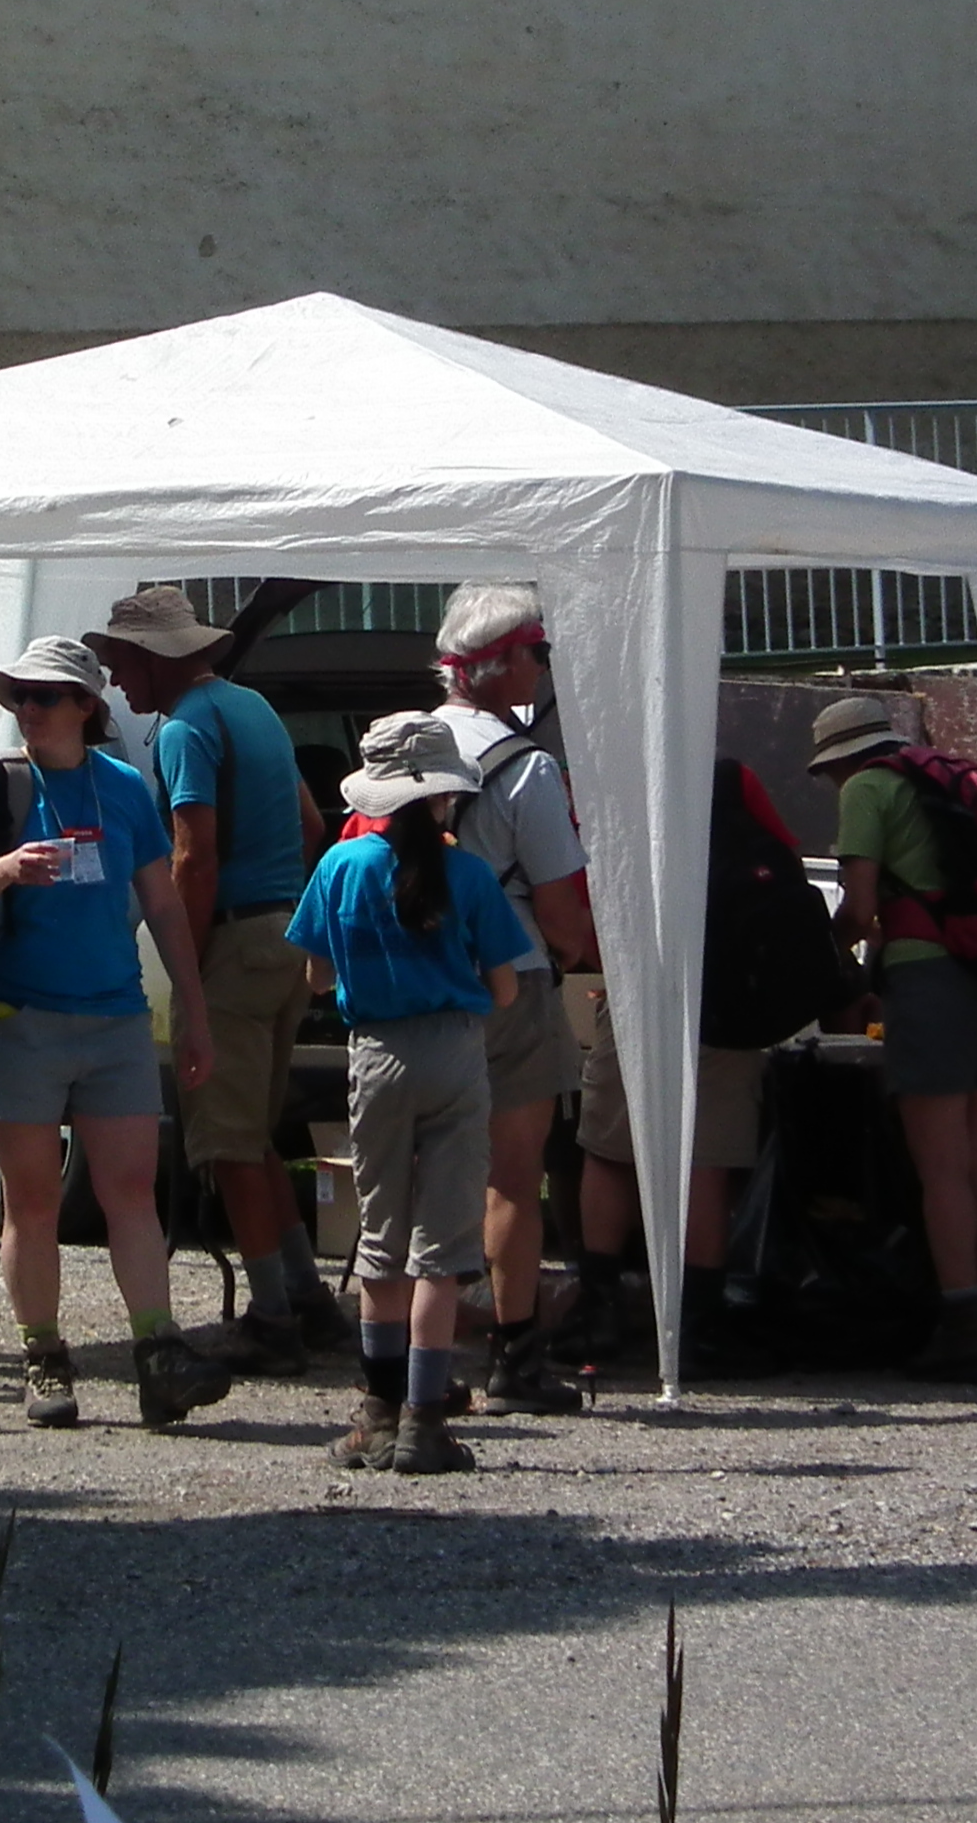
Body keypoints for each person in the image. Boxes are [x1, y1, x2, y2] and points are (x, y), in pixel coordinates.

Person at [0, 636, 229, 1432]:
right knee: (32, 1202)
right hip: (16, 1021)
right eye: (20, 695)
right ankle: (44, 1356)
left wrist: (194, 1014)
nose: (27, 709)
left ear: (86, 707)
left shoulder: (123, 786)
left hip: (114, 1017)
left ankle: (158, 1355)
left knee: (129, 1192)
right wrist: (5, 869)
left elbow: (163, 905)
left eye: (45, 696)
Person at [87, 586, 337, 1375]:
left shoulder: (185, 729)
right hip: (284, 932)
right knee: (252, 1134)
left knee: (227, 1143)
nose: (114, 679)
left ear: (154, 658)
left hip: (234, 940)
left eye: (121, 662)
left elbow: (194, 857)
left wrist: (187, 970)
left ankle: (271, 1319)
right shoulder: (252, 707)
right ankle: (304, 1297)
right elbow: (311, 825)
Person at [289, 714, 532, 1476]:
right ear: (444, 796)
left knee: (381, 1242)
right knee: (443, 1251)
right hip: (454, 1052)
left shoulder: (340, 865)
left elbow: (316, 977)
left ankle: (377, 1416)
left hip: (376, 1055)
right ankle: (426, 1424)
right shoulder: (471, 876)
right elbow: (505, 989)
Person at [812, 692, 977, 1382]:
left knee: (941, 1166)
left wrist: (827, 955)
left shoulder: (868, 789)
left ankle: (960, 1327)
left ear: (841, 761)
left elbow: (859, 908)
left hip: (932, 978)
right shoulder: (963, 777)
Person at [424, 585, 599, 1408]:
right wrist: (566, 951)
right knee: (512, 1178)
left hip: (412, 984)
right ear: (498, 664)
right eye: (539, 651)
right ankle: (514, 1358)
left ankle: (412, 1363)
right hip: (512, 976)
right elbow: (563, 913)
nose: (543, 667)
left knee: (419, 1173)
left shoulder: (400, 744)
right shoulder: (527, 767)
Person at [572, 756, 799, 1384]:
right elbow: (784, 864)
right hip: (729, 998)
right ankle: (698, 1322)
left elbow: (587, 913)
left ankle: (600, 1310)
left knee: (610, 1151)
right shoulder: (733, 783)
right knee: (706, 1162)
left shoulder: (614, 782)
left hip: (639, 987)